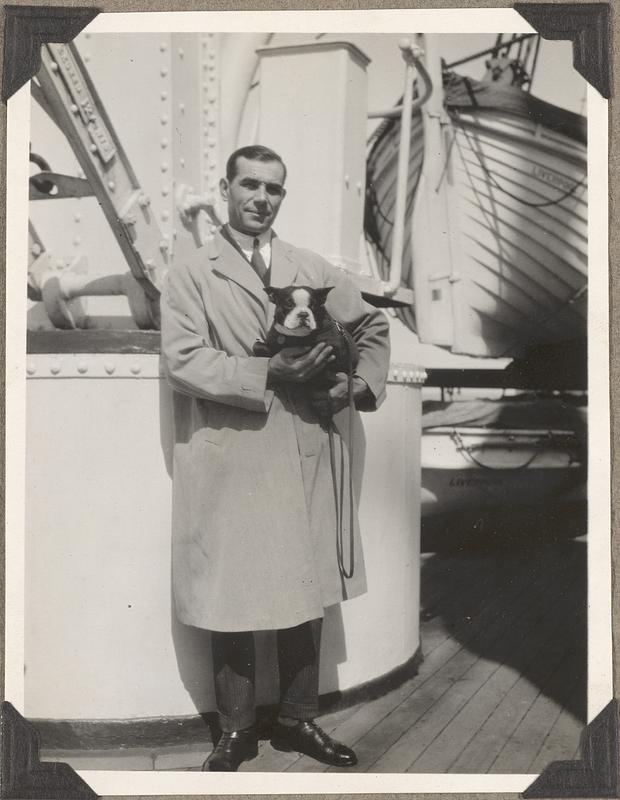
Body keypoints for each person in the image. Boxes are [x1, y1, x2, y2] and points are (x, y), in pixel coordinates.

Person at [161, 145, 390, 771]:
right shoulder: (190, 271)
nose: (262, 199)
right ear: (227, 189)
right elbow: (182, 360)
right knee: (229, 590)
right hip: (233, 454)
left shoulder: (309, 266)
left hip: (303, 451)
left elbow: (371, 328)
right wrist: (269, 370)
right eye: (250, 186)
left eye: (274, 189)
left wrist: (357, 385)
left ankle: (296, 722)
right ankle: (235, 732)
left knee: (305, 585)